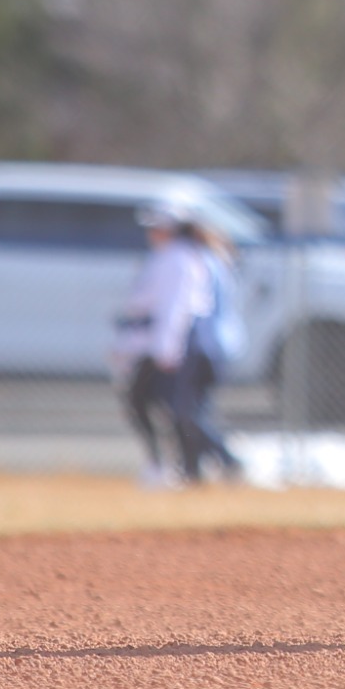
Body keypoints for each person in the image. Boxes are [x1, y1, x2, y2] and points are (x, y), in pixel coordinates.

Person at [111, 205, 213, 489]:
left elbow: (174, 308)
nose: (151, 233)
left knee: (174, 408)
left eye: (156, 228)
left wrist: (165, 350)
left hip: (173, 345)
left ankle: (186, 471)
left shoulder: (178, 260)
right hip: (157, 344)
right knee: (145, 404)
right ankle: (169, 467)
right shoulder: (166, 257)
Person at [168, 222, 245, 484]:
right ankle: (193, 469)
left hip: (202, 345)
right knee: (193, 409)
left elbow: (190, 309)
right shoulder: (218, 262)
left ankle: (226, 459)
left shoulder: (198, 265)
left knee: (187, 411)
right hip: (218, 346)